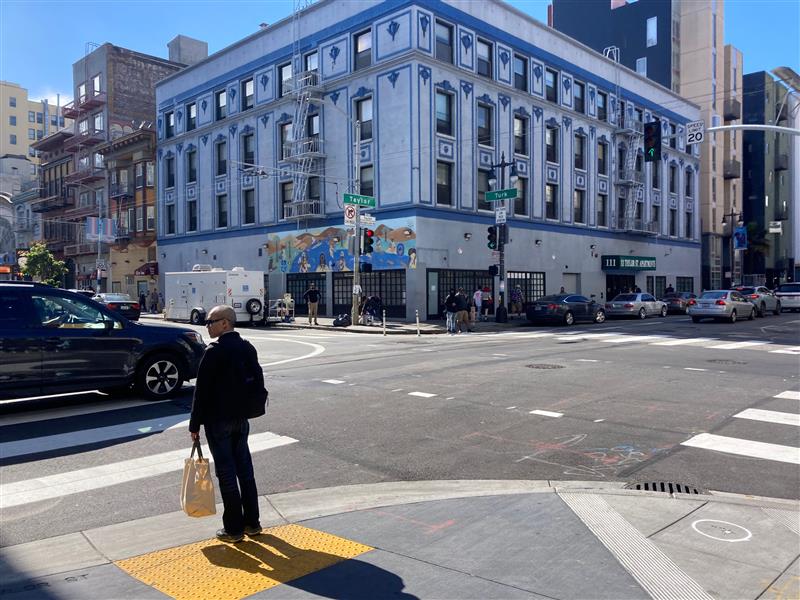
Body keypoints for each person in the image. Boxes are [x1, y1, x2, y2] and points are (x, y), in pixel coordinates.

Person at [189, 305, 266, 543]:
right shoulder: (246, 347)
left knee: (226, 474)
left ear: (225, 323)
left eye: (211, 321)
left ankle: (233, 529)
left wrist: (194, 425)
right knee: (245, 471)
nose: (207, 325)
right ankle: (253, 523)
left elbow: (201, 392)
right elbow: (258, 380)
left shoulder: (215, 351)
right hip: (241, 419)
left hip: (218, 420)